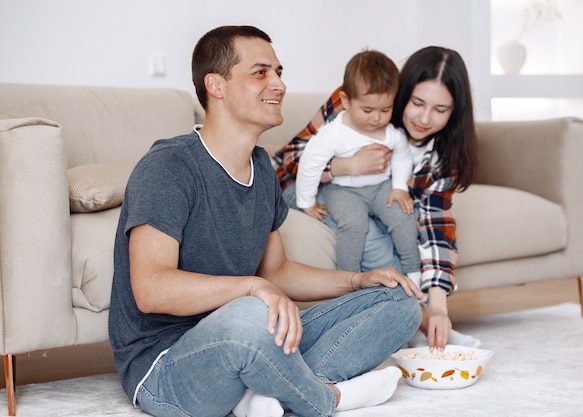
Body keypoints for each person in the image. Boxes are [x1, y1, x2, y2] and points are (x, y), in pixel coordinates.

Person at [108, 25, 423, 417]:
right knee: (251, 312)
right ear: (216, 85)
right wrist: (253, 289)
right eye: (261, 72)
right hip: (167, 366)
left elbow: (276, 273)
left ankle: (263, 393)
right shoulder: (168, 167)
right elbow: (151, 289)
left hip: (253, 338)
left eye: (279, 72)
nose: (279, 84)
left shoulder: (260, 167)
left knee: (401, 301)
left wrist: (358, 280)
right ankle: (325, 398)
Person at [273, 45, 480, 350]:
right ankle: (415, 322)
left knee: (402, 224)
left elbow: (435, 223)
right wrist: (343, 167)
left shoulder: (442, 153)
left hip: (376, 201)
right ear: (402, 93)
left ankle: (416, 321)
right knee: (367, 233)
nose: (424, 119)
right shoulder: (359, 98)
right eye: (418, 103)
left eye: (440, 110)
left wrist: (440, 306)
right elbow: (285, 162)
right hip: (316, 191)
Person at [296, 50, 421, 284]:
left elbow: (402, 157)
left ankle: (415, 273)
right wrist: (307, 202)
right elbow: (310, 163)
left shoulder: (392, 133)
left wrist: (399, 187)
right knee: (354, 225)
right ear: (346, 101)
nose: (377, 118)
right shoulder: (334, 134)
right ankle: (348, 279)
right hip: (343, 190)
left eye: (385, 110)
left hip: (381, 186)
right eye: (367, 110)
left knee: (403, 216)